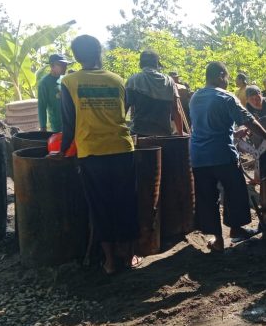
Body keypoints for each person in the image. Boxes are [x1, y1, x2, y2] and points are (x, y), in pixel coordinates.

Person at [55, 35, 138, 276]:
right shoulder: (117, 80)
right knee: (126, 204)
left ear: (77, 57)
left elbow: (68, 124)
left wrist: (62, 152)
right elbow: (125, 112)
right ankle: (129, 256)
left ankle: (110, 261)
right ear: (99, 52)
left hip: (92, 153)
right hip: (122, 149)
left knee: (100, 207)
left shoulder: (69, 81)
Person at [190, 62, 266, 252]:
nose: (228, 82)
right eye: (227, 78)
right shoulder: (226, 97)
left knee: (207, 196)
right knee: (234, 191)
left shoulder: (195, 96)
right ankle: (236, 229)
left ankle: (218, 239)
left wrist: (234, 134)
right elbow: (248, 120)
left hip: (198, 156)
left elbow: (208, 125)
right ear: (221, 75)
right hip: (221, 154)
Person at [125, 50, 186, 136]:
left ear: (141, 64)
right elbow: (176, 109)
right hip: (163, 134)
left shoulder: (133, 80)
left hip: (139, 134)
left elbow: (124, 108)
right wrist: (181, 133)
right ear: (157, 64)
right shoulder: (169, 81)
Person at [37, 54, 71, 132]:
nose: (65, 67)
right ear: (52, 66)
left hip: (70, 121)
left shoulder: (65, 79)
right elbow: (42, 106)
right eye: (61, 65)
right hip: (57, 124)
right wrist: (43, 127)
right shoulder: (44, 83)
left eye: (65, 65)